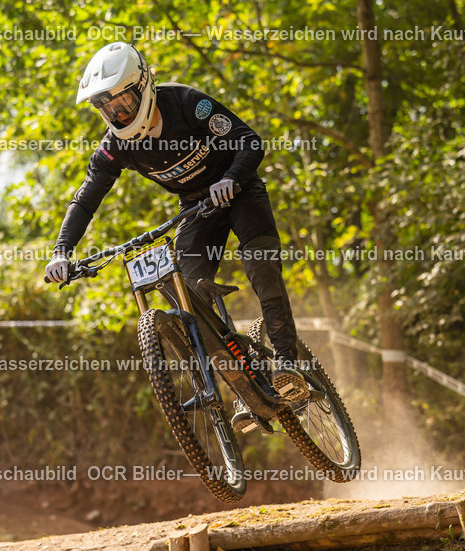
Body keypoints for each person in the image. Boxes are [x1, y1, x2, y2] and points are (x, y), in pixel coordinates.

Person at [44, 42, 307, 429]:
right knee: (187, 297)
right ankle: (246, 385)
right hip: (197, 208)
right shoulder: (116, 146)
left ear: (143, 86)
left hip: (240, 190)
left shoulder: (186, 103)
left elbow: (249, 141)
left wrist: (232, 178)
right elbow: (85, 199)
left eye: (123, 104)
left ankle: (288, 364)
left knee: (261, 267)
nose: (118, 115)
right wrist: (61, 251)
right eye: (108, 110)